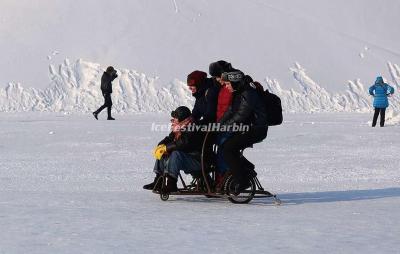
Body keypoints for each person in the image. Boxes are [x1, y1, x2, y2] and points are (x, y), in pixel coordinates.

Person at [218, 70, 268, 194]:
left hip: (256, 129)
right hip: (247, 128)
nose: (227, 87)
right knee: (226, 147)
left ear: (235, 82)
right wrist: (218, 125)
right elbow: (230, 111)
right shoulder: (239, 92)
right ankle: (247, 169)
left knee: (228, 149)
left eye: (228, 84)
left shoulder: (248, 93)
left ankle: (242, 180)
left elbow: (241, 115)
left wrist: (225, 126)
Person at [143, 106, 205, 193]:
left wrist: (166, 148)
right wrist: (161, 146)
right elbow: (170, 138)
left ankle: (171, 184)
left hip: (197, 160)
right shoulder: (180, 126)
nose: (174, 119)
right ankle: (159, 181)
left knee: (175, 153)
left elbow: (183, 143)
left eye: (176, 117)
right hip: (187, 157)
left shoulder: (192, 127)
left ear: (182, 118)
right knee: (162, 151)